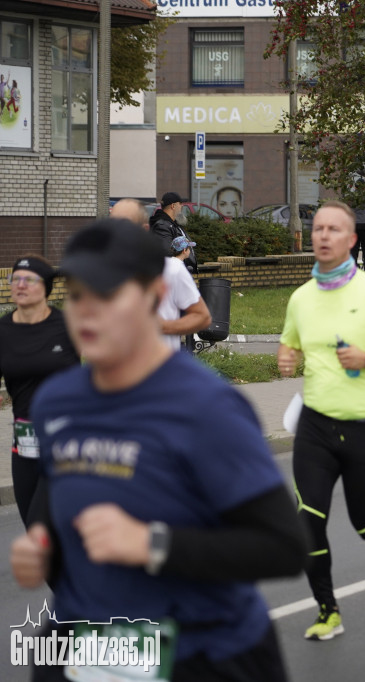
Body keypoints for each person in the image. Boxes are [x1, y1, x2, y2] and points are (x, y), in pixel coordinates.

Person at [9, 219, 307, 681]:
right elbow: (63, 482)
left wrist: (151, 544)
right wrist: (42, 539)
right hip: (90, 641)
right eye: (79, 295)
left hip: (202, 651)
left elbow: (284, 547)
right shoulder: (57, 400)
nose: (87, 312)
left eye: (107, 295)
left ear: (152, 294)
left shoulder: (207, 407)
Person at [277, 200, 365, 641]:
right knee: (307, 519)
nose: (322, 236)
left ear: (352, 240)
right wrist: (286, 356)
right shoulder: (300, 298)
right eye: (317, 228)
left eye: (333, 229)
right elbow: (291, 344)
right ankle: (327, 611)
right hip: (315, 426)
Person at [0, 256, 79, 526]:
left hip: (65, 440)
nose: (20, 285)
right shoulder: (3, 331)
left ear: (45, 287)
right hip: (24, 441)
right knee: (32, 527)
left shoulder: (68, 326)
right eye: (15, 279)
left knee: (48, 528)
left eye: (29, 279)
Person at [111, 198, 212, 353]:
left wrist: (163, 326)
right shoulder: (107, 271)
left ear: (144, 228)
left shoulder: (172, 268)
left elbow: (202, 317)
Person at [150, 192, 198, 272]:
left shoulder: (173, 223)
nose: (182, 206)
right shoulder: (162, 226)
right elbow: (167, 253)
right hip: (176, 273)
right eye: (180, 203)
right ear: (173, 206)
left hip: (182, 271)